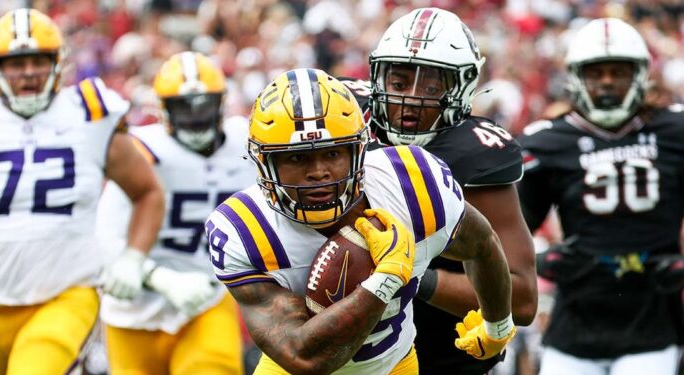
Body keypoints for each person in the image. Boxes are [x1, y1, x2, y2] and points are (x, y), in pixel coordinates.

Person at [205, 67, 517, 374]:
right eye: (297, 157)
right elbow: (304, 359)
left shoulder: (413, 186)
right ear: (264, 163)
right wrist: (387, 277)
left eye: (333, 153)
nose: (318, 172)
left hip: (393, 367)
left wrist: (498, 326)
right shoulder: (245, 230)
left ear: (359, 150)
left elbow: (482, 244)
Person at [0, 8, 165, 374]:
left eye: (38, 61)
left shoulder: (89, 113)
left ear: (58, 63)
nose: (28, 73)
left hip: (66, 295)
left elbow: (148, 192)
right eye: (16, 63)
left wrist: (133, 257)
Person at [341, 7, 538, 374]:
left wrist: (410, 274)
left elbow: (522, 300)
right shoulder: (345, 118)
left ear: (461, 89)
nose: (410, 101)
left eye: (431, 87)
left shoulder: (473, 155)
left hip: (442, 358)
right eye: (399, 83)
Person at [518, 18, 684, 375]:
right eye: (597, 73)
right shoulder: (547, 141)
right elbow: (510, 229)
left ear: (640, 75)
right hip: (576, 317)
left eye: (618, 72)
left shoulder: (675, 130)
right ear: (577, 78)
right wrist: (540, 258)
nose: (607, 82)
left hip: (652, 319)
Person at [95, 51, 250, 375]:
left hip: (206, 299)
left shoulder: (245, 142)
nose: (196, 116)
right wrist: (160, 279)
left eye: (204, 105)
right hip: (134, 309)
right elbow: (105, 237)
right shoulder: (143, 150)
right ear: (163, 109)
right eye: (184, 107)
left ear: (221, 103)